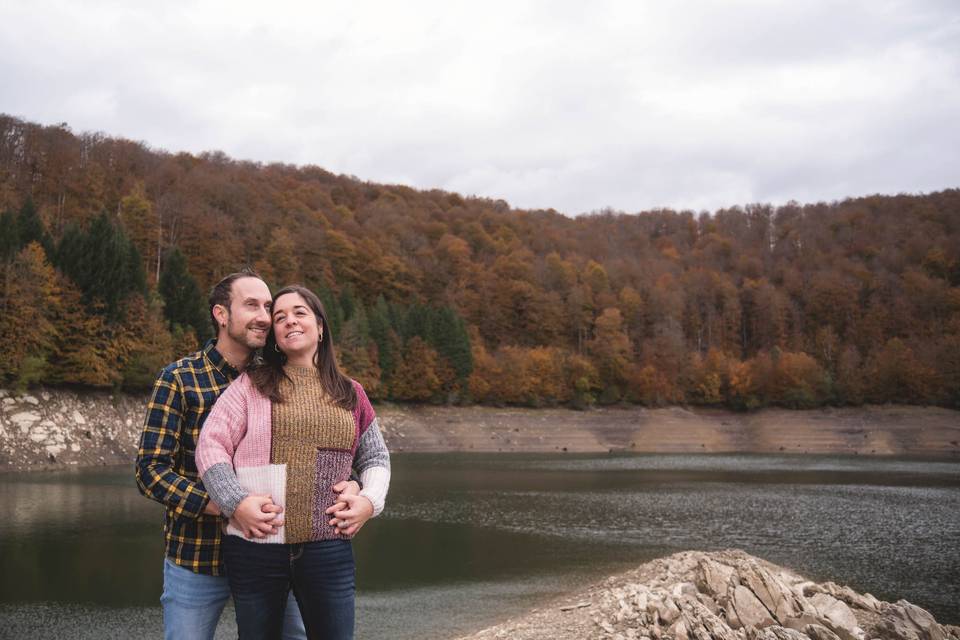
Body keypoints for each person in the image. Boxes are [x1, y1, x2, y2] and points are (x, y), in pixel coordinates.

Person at [135, 270, 361, 640]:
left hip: (274, 552)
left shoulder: (279, 378)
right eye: (251, 305)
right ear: (221, 314)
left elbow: (331, 450)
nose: (263, 316)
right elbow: (151, 471)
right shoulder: (179, 378)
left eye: (268, 307)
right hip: (199, 555)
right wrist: (228, 505)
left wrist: (354, 486)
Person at [196, 284, 391, 640]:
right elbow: (211, 446)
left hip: (328, 548)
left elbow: (375, 455)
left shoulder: (351, 392)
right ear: (275, 336)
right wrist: (235, 503)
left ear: (320, 326)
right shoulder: (250, 386)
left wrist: (368, 501)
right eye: (280, 317)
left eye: (299, 313)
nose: (289, 321)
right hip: (256, 547)